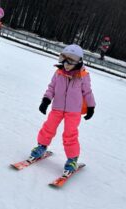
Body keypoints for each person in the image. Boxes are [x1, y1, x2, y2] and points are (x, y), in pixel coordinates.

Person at [29, 44, 96, 177]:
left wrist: (91, 107)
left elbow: (87, 92)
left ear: (79, 61)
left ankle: (72, 159)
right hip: (57, 107)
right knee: (48, 128)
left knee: (70, 134)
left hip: (73, 111)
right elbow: (52, 87)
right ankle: (41, 146)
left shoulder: (83, 76)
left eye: (70, 61)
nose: (65, 64)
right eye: (63, 59)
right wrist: (46, 100)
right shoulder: (58, 72)